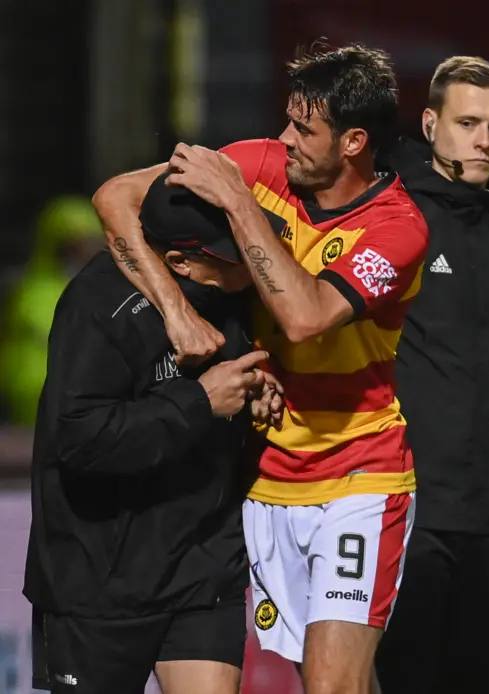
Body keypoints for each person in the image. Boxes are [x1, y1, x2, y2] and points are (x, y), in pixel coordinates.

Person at [92, 44, 429, 694]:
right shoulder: (259, 162)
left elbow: (305, 316)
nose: (284, 140)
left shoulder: (397, 230)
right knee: (334, 680)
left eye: (304, 129)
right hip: (266, 476)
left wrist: (241, 206)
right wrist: (179, 317)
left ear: (354, 141)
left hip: (359, 473)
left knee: (333, 684)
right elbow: (115, 198)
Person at [24, 172, 285, 694]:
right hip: (98, 581)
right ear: (181, 262)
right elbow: (79, 440)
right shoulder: (95, 305)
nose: (252, 257)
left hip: (204, 568)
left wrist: (254, 393)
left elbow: (227, 390)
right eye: (231, 251)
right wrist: (200, 402)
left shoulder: (233, 293)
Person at [374, 56, 489, 694]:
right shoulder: (392, 226)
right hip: (412, 520)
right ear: (430, 123)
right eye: (468, 122)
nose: (484, 141)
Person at [0, 196, 103, 425]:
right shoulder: (33, 290)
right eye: (74, 246)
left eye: (89, 243)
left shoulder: (98, 289)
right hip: (32, 403)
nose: (84, 252)